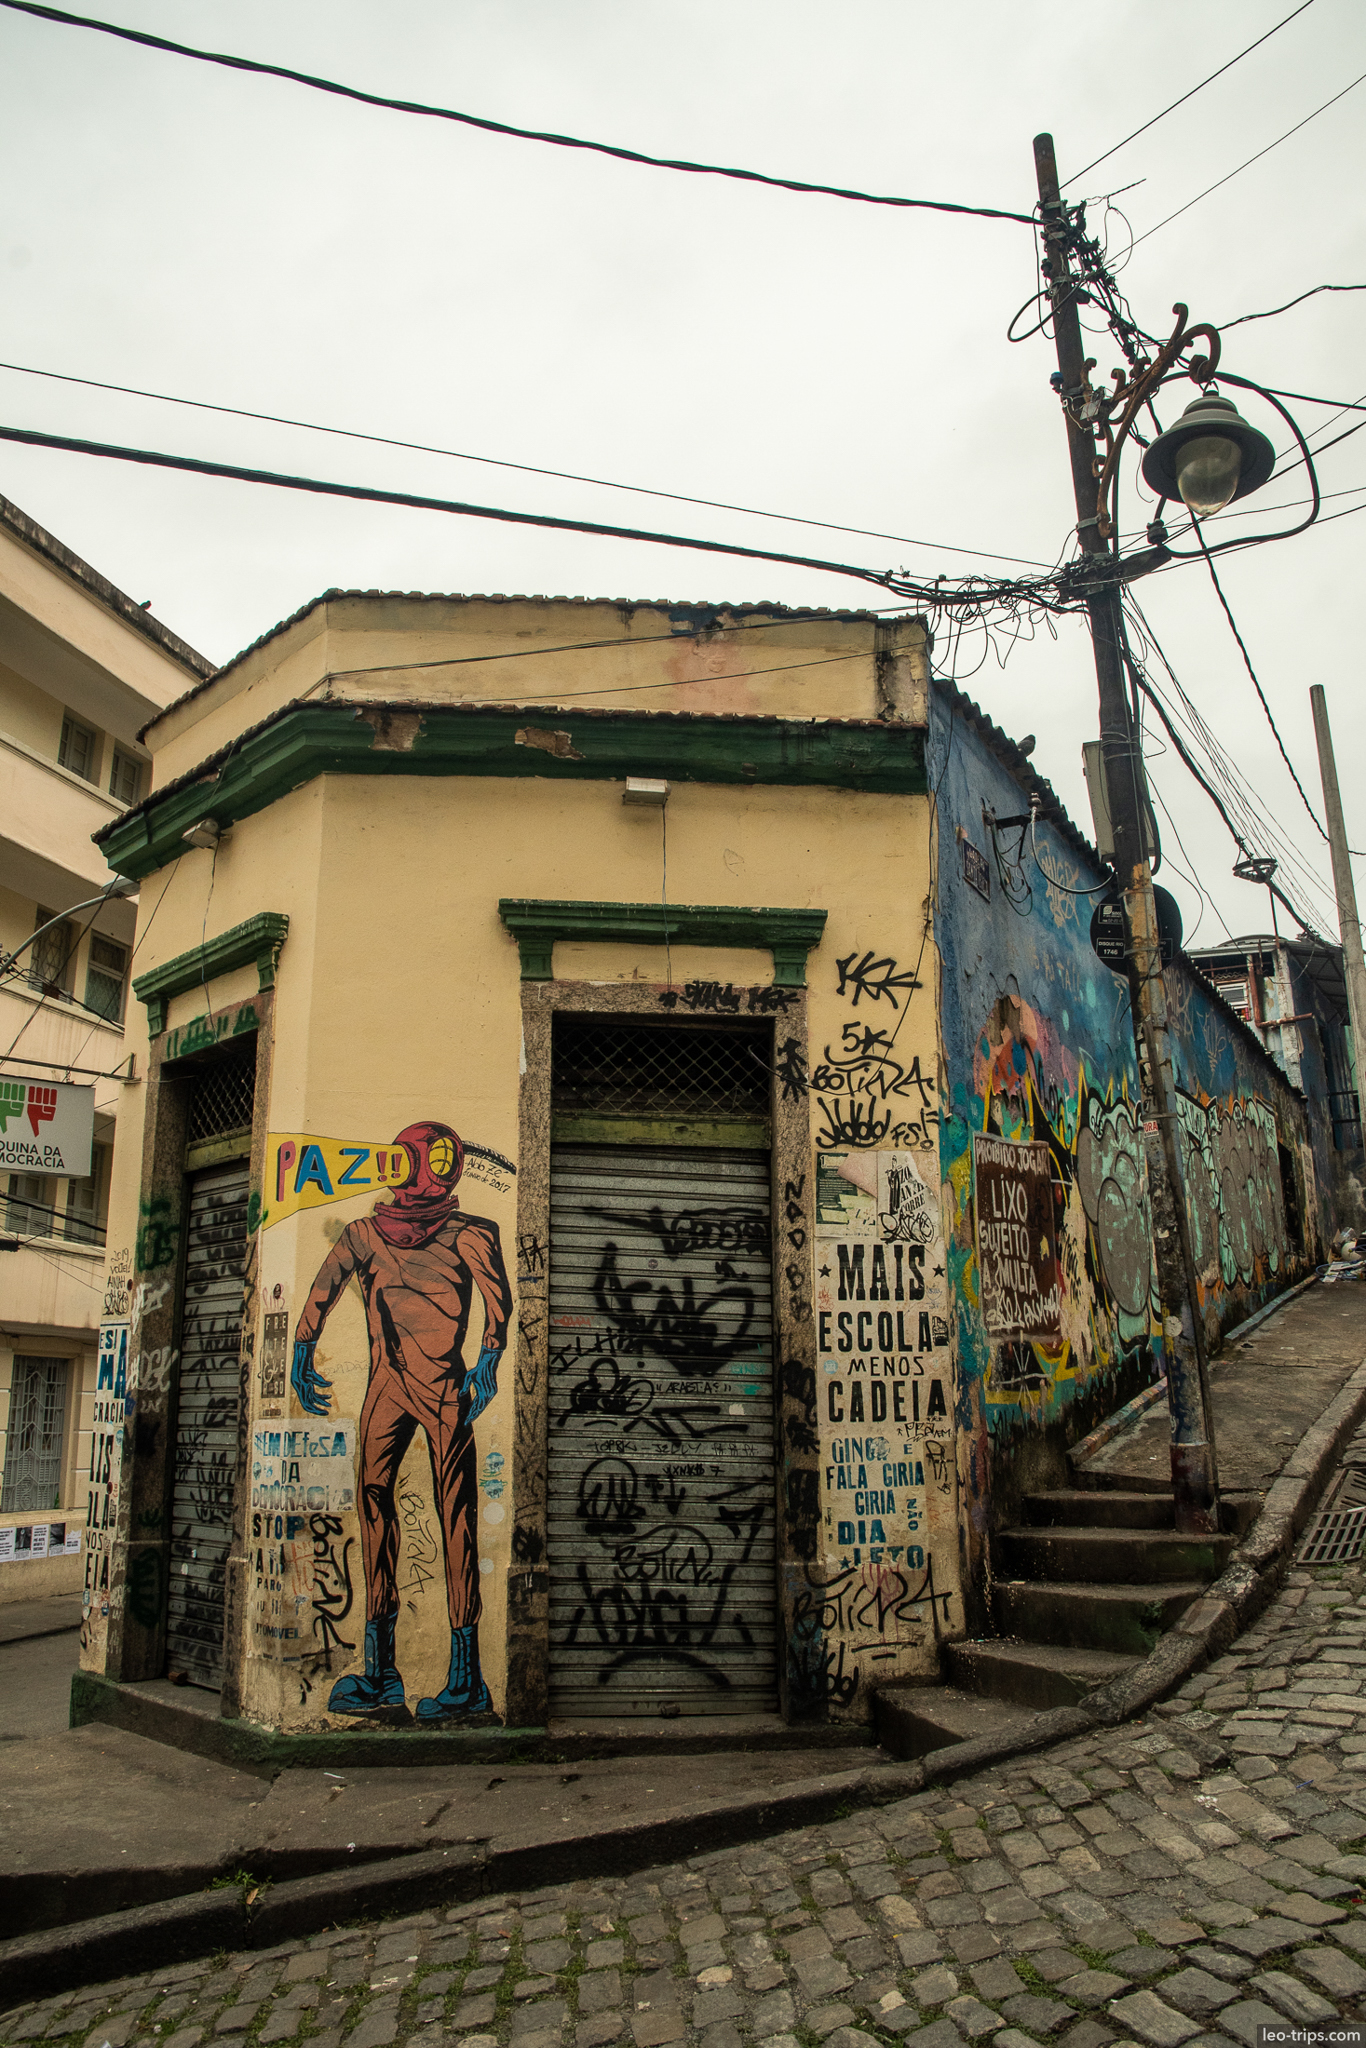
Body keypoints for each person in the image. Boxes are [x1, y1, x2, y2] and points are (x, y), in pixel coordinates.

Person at [290, 1120, 512, 1720]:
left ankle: (466, 1680)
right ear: (406, 1160)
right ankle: (381, 1672)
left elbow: (500, 1302)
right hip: (387, 1387)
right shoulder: (365, 1234)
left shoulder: (471, 1232)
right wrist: (301, 1346)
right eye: (432, 1155)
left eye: (449, 1156)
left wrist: (490, 1356)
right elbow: (322, 1287)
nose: (442, 1168)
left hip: (443, 1388)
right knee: (372, 1504)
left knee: (457, 1517)